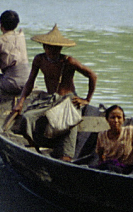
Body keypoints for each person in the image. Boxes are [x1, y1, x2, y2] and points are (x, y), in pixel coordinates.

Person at [11, 25, 98, 161]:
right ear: (44, 47)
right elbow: (30, 82)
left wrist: (87, 100)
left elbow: (92, 75)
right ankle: (35, 147)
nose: (52, 51)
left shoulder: (69, 61)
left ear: (61, 48)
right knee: (27, 118)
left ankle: (66, 156)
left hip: (68, 100)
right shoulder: (39, 59)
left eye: (56, 48)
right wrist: (21, 102)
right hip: (50, 99)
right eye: (49, 47)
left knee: (68, 124)